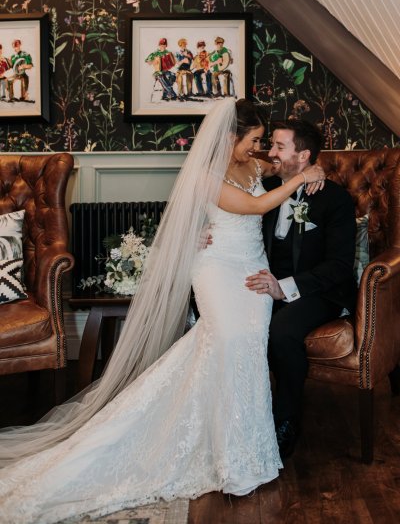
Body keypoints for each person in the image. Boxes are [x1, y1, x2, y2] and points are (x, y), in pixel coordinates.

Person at [0, 99, 325, 524]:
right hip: (216, 271)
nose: (259, 148)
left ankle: (243, 449)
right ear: (230, 137)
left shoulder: (255, 167)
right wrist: (304, 174)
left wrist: (309, 167)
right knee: (225, 341)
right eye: (254, 140)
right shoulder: (207, 176)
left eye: (262, 142)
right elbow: (255, 207)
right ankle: (207, 446)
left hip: (254, 274)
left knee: (242, 350)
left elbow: (273, 179)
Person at [246, 119, 357, 459]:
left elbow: (338, 267)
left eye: (280, 147)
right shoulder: (263, 188)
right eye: (271, 144)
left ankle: (286, 421)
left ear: (304, 155)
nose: (271, 152)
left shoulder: (335, 200)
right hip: (268, 282)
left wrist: (285, 289)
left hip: (320, 291)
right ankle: (245, 416)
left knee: (281, 331)